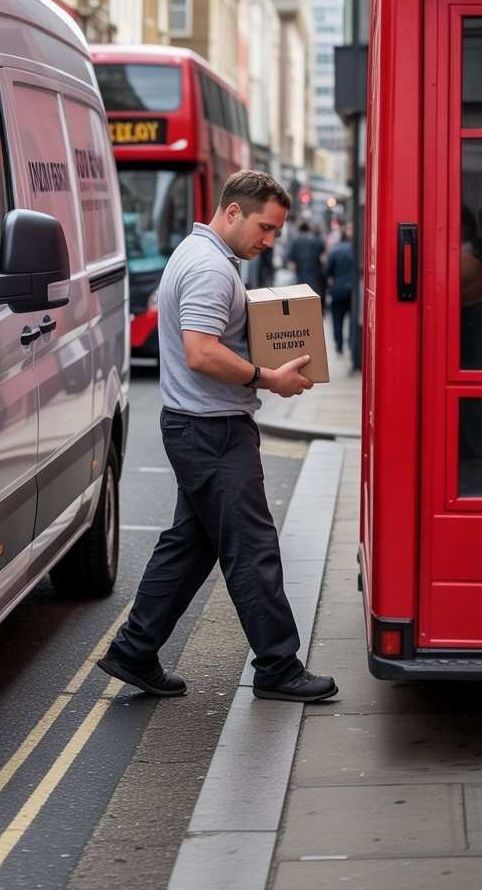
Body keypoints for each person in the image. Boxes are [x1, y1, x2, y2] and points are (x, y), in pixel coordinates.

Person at [98, 170, 338, 703]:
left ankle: (134, 651)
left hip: (200, 426)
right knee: (251, 548)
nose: (270, 239)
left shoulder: (199, 254)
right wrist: (266, 377)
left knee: (191, 545)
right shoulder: (209, 267)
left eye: (276, 231)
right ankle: (277, 666)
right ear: (232, 212)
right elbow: (201, 352)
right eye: (265, 227)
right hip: (212, 430)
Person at [325, 226, 355, 355]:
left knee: (337, 319)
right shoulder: (356, 250)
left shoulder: (335, 251)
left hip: (338, 289)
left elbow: (328, 271)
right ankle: (352, 345)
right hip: (354, 291)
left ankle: (339, 345)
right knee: (353, 320)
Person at [285, 220, 326, 297]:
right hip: (315, 274)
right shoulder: (316, 241)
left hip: (300, 275)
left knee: (302, 297)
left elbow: (289, 260)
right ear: (309, 229)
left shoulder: (295, 241)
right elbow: (322, 259)